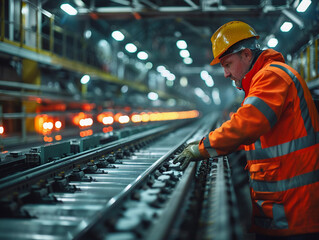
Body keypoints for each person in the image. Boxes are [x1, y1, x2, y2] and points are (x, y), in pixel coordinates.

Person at [174, 21, 319, 239]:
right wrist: (216, 143)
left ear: (246, 55)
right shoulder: (262, 79)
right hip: (283, 202)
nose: (225, 73)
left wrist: (204, 147)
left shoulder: (271, 76)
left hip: (294, 206)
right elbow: (257, 135)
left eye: (227, 64)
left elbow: (248, 124)